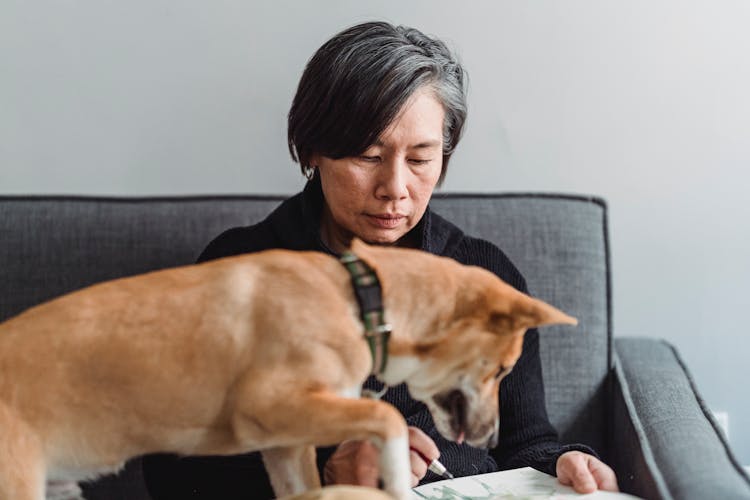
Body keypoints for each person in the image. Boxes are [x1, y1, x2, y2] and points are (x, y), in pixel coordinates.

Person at [142, 21, 618, 499]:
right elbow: (172, 469)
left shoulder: (483, 275)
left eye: (420, 159)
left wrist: (563, 463)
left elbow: (524, 441)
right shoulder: (237, 270)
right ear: (313, 151)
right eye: (369, 156)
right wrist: (327, 472)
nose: (395, 188)